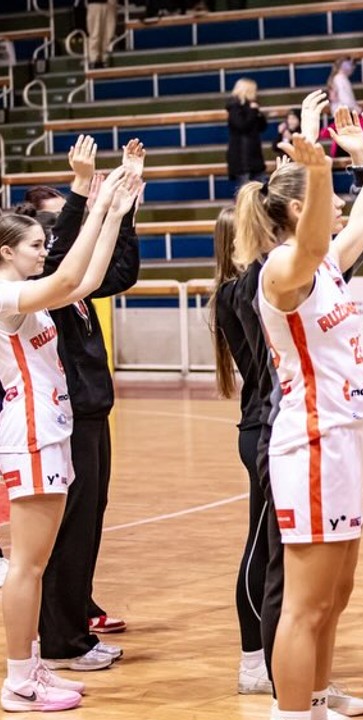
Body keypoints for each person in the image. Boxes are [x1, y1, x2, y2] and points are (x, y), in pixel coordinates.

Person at [237, 109, 363, 720]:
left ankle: (320, 697)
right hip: (311, 441)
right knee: (304, 604)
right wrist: (322, 171)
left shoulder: (323, 262)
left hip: (344, 439)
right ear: (302, 211)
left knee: (336, 593)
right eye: (323, 200)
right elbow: (313, 240)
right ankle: (292, 713)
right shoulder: (283, 269)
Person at [0, 154, 139, 713]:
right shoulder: (6, 297)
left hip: (49, 435)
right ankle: (18, 678)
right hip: (29, 437)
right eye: (35, 244)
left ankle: (31, 666)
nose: (44, 250)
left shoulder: (28, 293)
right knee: (28, 566)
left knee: (32, 565)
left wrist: (113, 214)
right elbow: (65, 275)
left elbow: (81, 278)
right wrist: (97, 203)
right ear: (6, 251)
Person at [38, 139, 145, 675]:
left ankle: (75, 618)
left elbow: (121, 272)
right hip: (65, 417)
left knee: (88, 523)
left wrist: (122, 212)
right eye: (52, 229)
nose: (59, 236)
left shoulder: (74, 284)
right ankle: (59, 638)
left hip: (92, 413)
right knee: (70, 527)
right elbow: (61, 256)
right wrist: (86, 193)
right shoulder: (40, 284)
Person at [210, 207, 271, 695]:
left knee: (280, 551)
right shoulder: (241, 291)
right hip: (262, 430)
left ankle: (276, 653)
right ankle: (253, 659)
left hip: (271, 427)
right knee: (260, 545)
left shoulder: (255, 284)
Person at [226, 78, 268, 191]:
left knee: (262, 189)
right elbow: (242, 126)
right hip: (242, 160)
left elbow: (262, 126)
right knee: (246, 192)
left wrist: (258, 113)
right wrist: (253, 112)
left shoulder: (252, 107)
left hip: (254, 158)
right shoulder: (234, 108)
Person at [85, 0, 117, 68]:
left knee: (109, 34)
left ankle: (105, 58)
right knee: (95, 33)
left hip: (110, 4)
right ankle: (93, 59)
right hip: (95, 4)